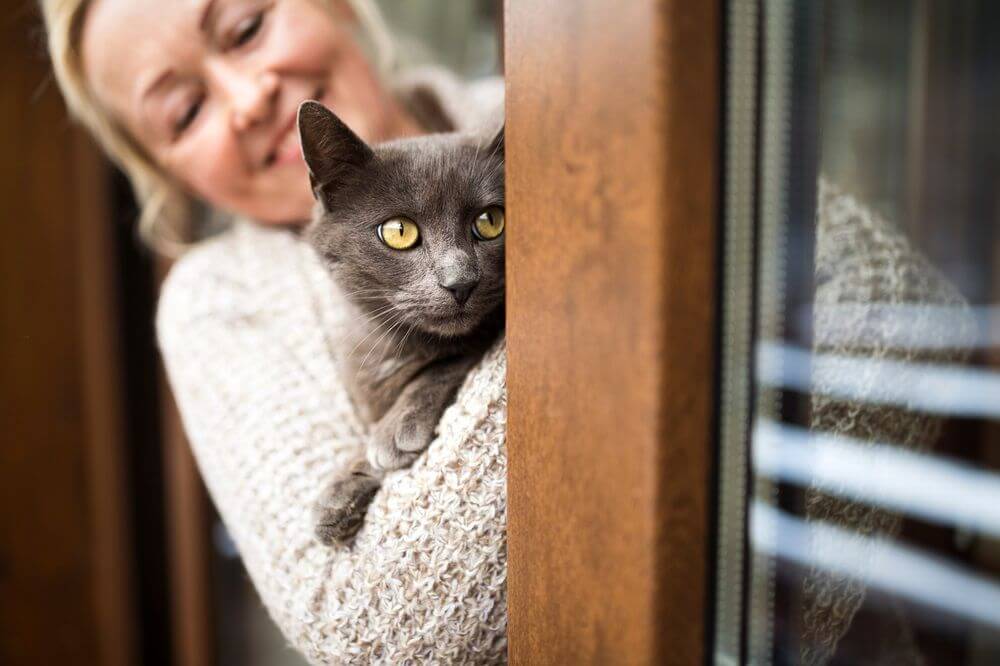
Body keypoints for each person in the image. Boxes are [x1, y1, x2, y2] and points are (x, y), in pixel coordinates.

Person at [42, 1, 509, 663]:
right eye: (184, 111)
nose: (249, 98)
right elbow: (382, 632)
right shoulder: (219, 303)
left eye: (245, 29)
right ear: (169, 170)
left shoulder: (566, 114)